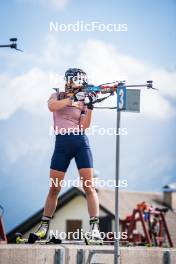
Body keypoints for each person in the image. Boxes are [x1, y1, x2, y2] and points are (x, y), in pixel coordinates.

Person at [32, 68, 101, 241]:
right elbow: (51, 107)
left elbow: (84, 126)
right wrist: (73, 99)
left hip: (80, 143)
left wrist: (90, 106)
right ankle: (43, 228)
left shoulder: (84, 100)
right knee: (54, 188)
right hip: (61, 144)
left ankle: (94, 230)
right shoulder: (57, 95)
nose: (70, 82)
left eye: (74, 80)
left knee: (88, 187)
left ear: (81, 82)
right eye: (69, 79)